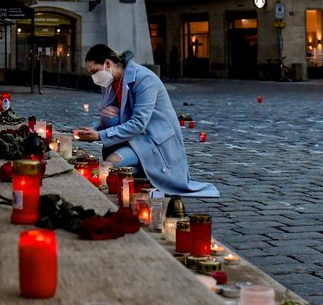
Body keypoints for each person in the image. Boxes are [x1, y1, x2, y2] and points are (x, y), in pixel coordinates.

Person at [73, 44, 218, 197]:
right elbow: (113, 116)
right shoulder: (109, 83)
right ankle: (143, 173)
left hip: (151, 140)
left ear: (108, 63)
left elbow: (138, 123)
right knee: (121, 173)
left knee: (110, 164)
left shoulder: (144, 79)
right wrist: (92, 131)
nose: (94, 78)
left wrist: (99, 136)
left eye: (95, 72)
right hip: (132, 140)